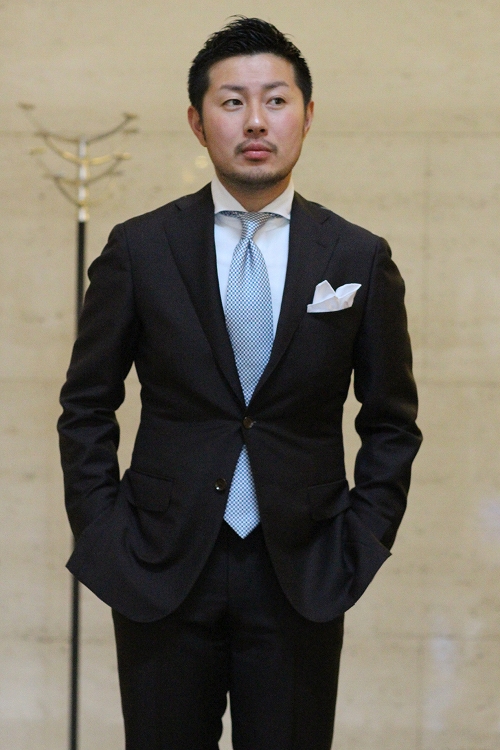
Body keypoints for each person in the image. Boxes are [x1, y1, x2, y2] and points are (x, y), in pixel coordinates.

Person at [58, 16, 422, 750]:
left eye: (276, 100)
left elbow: (390, 421)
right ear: (198, 122)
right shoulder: (140, 249)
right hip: (160, 564)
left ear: (307, 115)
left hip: (303, 567)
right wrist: (105, 532)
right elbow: (86, 406)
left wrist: (360, 538)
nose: (256, 121)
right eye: (232, 102)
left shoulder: (357, 256)